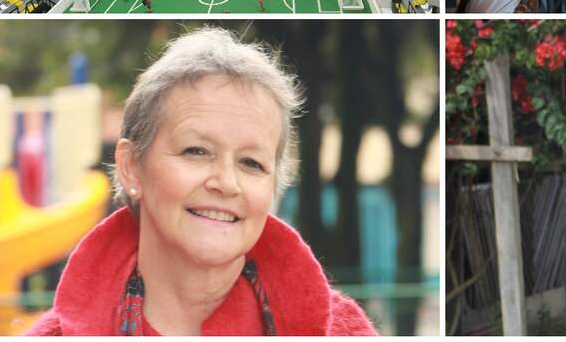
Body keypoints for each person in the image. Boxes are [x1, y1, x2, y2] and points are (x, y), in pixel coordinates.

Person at [26, 29, 375, 335]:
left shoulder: (342, 331)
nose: (226, 182)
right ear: (131, 167)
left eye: (251, 163)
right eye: (197, 151)